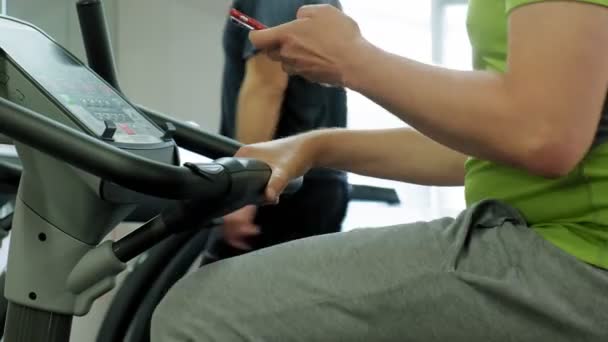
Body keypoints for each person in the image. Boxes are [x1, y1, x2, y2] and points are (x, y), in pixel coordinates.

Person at [153, 1, 608, 341]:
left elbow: (541, 133)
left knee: (199, 312)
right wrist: (315, 145)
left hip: (579, 254)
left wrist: (354, 60)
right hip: (554, 237)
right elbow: (498, 146)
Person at [201, 0, 350, 263]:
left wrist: (244, 191)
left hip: (279, 184)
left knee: (212, 299)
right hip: (316, 180)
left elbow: (267, 84)